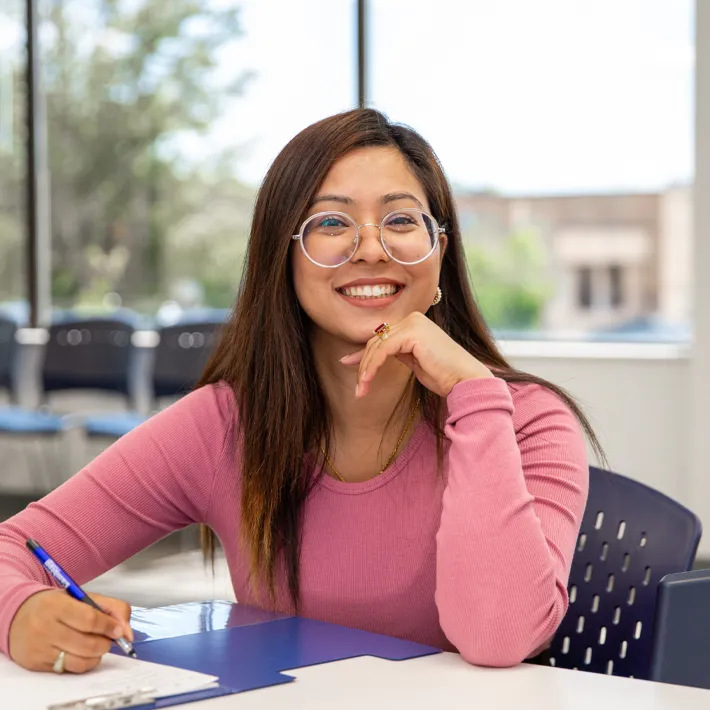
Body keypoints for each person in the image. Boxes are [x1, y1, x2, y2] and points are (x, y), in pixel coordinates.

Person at [0, 109, 601, 674]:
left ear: (440, 251)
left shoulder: (525, 422)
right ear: (282, 256)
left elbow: (498, 639)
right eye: (332, 223)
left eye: (401, 220)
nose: (371, 248)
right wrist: (20, 613)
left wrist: (473, 392)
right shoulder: (226, 425)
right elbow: (15, 548)